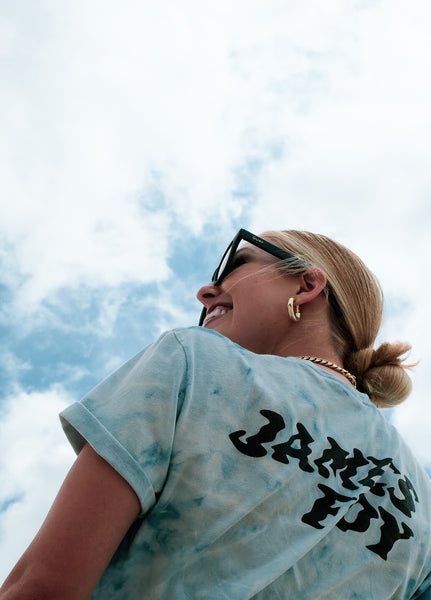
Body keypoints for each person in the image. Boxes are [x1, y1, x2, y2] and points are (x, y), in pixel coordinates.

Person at [1, 227, 430, 599]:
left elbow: (41, 589)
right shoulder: (424, 507)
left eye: (235, 265)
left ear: (306, 287)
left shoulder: (194, 362)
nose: (205, 291)